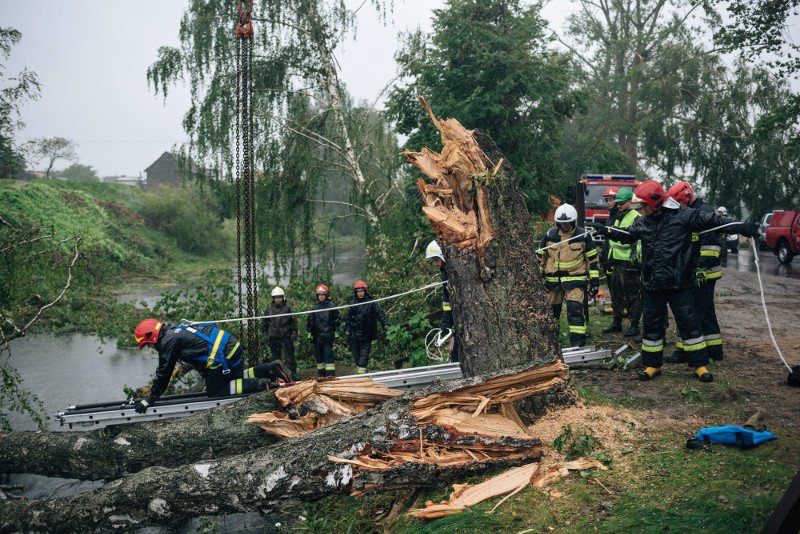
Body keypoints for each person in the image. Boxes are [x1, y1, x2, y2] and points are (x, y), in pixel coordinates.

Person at [590, 180, 758, 382]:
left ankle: (700, 365)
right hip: (652, 284)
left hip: (679, 283)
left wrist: (741, 227)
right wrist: (607, 231)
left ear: (655, 203)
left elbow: (713, 221)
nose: (641, 210)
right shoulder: (643, 222)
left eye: (643, 205)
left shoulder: (684, 217)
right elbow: (628, 236)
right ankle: (652, 365)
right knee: (652, 325)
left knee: (689, 324)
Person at [132, 318, 290, 413]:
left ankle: (262, 385)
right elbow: (197, 358)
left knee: (216, 392)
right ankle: (270, 369)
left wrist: (150, 399)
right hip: (231, 347)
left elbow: (164, 373)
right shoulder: (175, 331)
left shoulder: (168, 342)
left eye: (147, 345)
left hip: (222, 356)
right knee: (235, 379)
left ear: (152, 338)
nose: (149, 348)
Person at [665, 182, 725, 364]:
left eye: (679, 203)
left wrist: (700, 267)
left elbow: (711, 245)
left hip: (703, 273)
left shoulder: (702, 212)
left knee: (691, 313)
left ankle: (684, 350)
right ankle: (715, 350)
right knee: (706, 312)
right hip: (701, 272)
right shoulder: (693, 211)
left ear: (687, 197)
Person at [537, 204, 600, 347]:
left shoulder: (582, 235)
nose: (565, 226)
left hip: (575, 281)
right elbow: (541, 256)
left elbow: (593, 260)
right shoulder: (550, 235)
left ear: (573, 221)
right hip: (553, 282)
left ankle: (577, 345)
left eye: (567, 223)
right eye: (562, 223)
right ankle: (550, 344)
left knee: (575, 311)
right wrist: (537, 272)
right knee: (551, 314)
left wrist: (595, 281)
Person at [601, 188, 643, 337]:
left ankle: (634, 324)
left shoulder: (636, 217)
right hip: (616, 261)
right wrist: (608, 257)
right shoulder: (618, 216)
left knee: (632, 295)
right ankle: (616, 321)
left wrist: (635, 260)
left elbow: (635, 241)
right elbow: (612, 240)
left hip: (629, 263)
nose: (618, 206)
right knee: (616, 293)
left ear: (630, 202)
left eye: (621, 204)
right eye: (617, 204)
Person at [345, 280, 388, 374]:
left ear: (365, 291)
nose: (360, 293)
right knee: (356, 356)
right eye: (358, 291)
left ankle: (361, 377)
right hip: (354, 336)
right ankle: (360, 374)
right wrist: (347, 329)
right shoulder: (353, 303)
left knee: (363, 358)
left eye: (361, 291)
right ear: (355, 292)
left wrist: (385, 324)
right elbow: (348, 318)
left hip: (367, 335)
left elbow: (380, 313)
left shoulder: (372, 303)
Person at [425, 239, 459, 361]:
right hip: (458, 323)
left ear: (443, 256)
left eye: (436, 259)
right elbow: (447, 302)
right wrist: (446, 324)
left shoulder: (456, 271)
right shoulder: (444, 274)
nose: (436, 263)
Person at [262, 286, 299, 381]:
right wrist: (266, 334)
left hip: (286, 336)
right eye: (276, 297)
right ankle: (278, 377)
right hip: (273, 337)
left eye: (279, 297)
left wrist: (294, 333)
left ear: (283, 297)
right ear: (273, 298)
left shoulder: (288, 308)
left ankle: (292, 375)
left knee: (289, 358)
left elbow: (294, 321)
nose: (278, 299)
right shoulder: (269, 309)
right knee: (275, 358)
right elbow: (264, 323)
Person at [306, 284, 340, 377]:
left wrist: (336, 331)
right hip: (317, 337)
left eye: (323, 295)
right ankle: (321, 377)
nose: (321, 297)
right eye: (319, 295)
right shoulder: (314, 307)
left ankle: (330, 376)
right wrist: (309, 332)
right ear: (317, 296)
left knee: (328, 358)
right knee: (319, 358)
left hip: (328, 337)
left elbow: (336, 320)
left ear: (326, 295)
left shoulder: (331, 306)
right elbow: (310, 321)